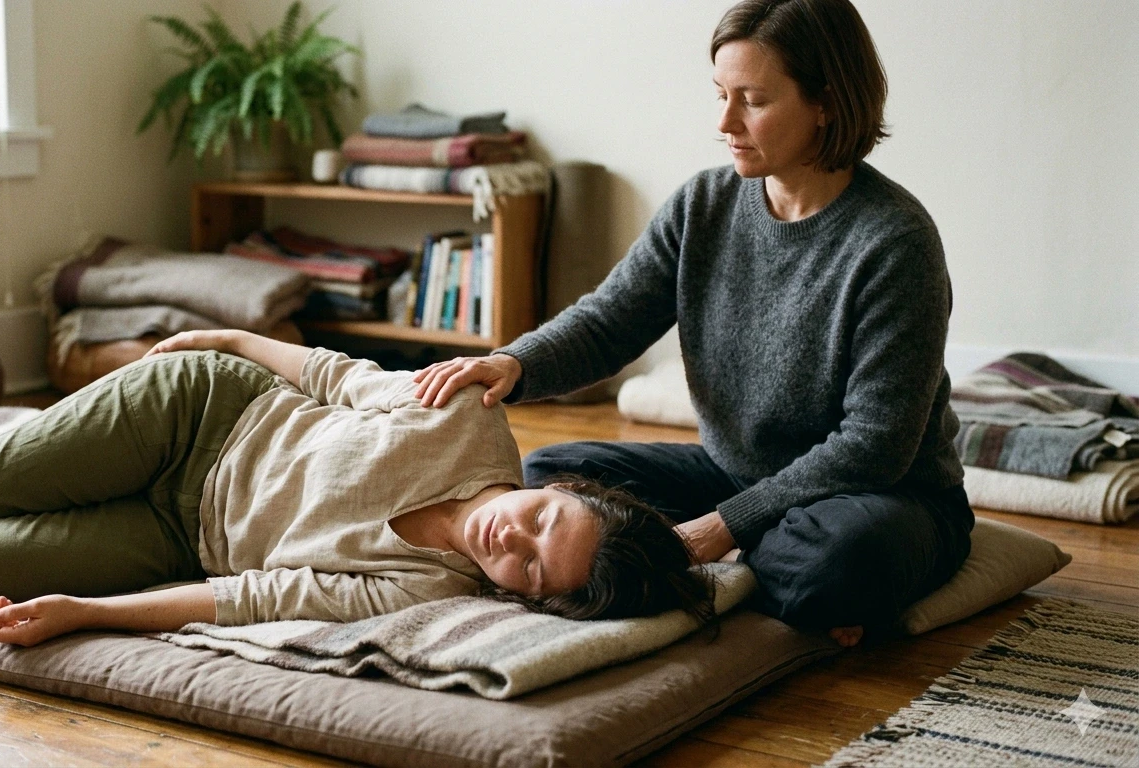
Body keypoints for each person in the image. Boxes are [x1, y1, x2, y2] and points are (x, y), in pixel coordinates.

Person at [411, 0, 973, 648]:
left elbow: (874, 446)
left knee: (835, 565)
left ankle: (734, 566)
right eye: (720, 95)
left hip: (886, 497)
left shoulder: (895, 241)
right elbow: (609, 321)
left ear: (826, 101)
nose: (724, 122)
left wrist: (719, 529)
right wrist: (515, 364)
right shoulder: (704, 205)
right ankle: (742, 566)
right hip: (736, 472)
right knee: (551, 472)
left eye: (753, 100)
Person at [0, 330, 713, 647]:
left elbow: (249, 596)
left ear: (530, 602)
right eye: (543, 519)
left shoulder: (430, 592)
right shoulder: (464, 417)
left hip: (185, 535)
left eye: (535, 573)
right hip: (200, 415)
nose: (516, 540)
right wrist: (228, 345)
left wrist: (88, 612)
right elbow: (334, 374)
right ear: (559, 488)